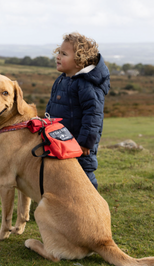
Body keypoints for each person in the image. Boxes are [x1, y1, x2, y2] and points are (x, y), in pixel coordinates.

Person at [46, 32, 110, 190]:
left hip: (80, 145)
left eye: (64, 54)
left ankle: (93, 208)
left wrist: (85, 143)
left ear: (79, 60)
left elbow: (93, 116)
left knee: (83, 176)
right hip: (61, 140)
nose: (58, 56)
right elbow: (51, 107)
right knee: (63, 176)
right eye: (59, 52)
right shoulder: (62, 79)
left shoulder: (87, 85)